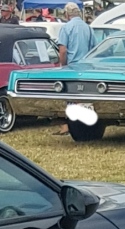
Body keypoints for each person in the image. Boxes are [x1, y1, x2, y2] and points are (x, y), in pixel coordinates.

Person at [54, 2, 96, 135]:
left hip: (72, 67)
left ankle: (67, 126)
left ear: (67, 14)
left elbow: (63, 50)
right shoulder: (88, 28)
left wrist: (62, 65)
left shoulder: (66, 28)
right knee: (84, 96)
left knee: (68, 95)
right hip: (86, 67)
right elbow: (94, 48)